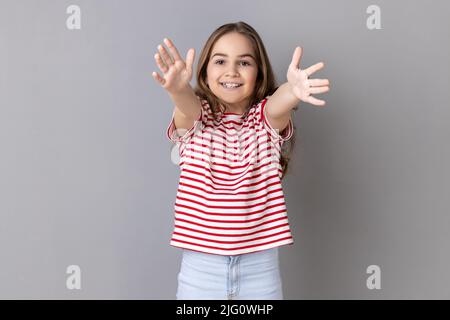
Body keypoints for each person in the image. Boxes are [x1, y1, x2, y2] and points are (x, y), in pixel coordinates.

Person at [152, 21, 330, 300]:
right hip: (201, 269)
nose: (231, 71)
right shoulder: (198, 119)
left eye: (244, 63)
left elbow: (277, 104)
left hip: (259, 268)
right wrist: (177, 89)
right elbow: (187, 107)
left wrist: (292, 91)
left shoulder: (263, 122)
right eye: (220, 61)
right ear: (205, 71)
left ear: (258, 74)